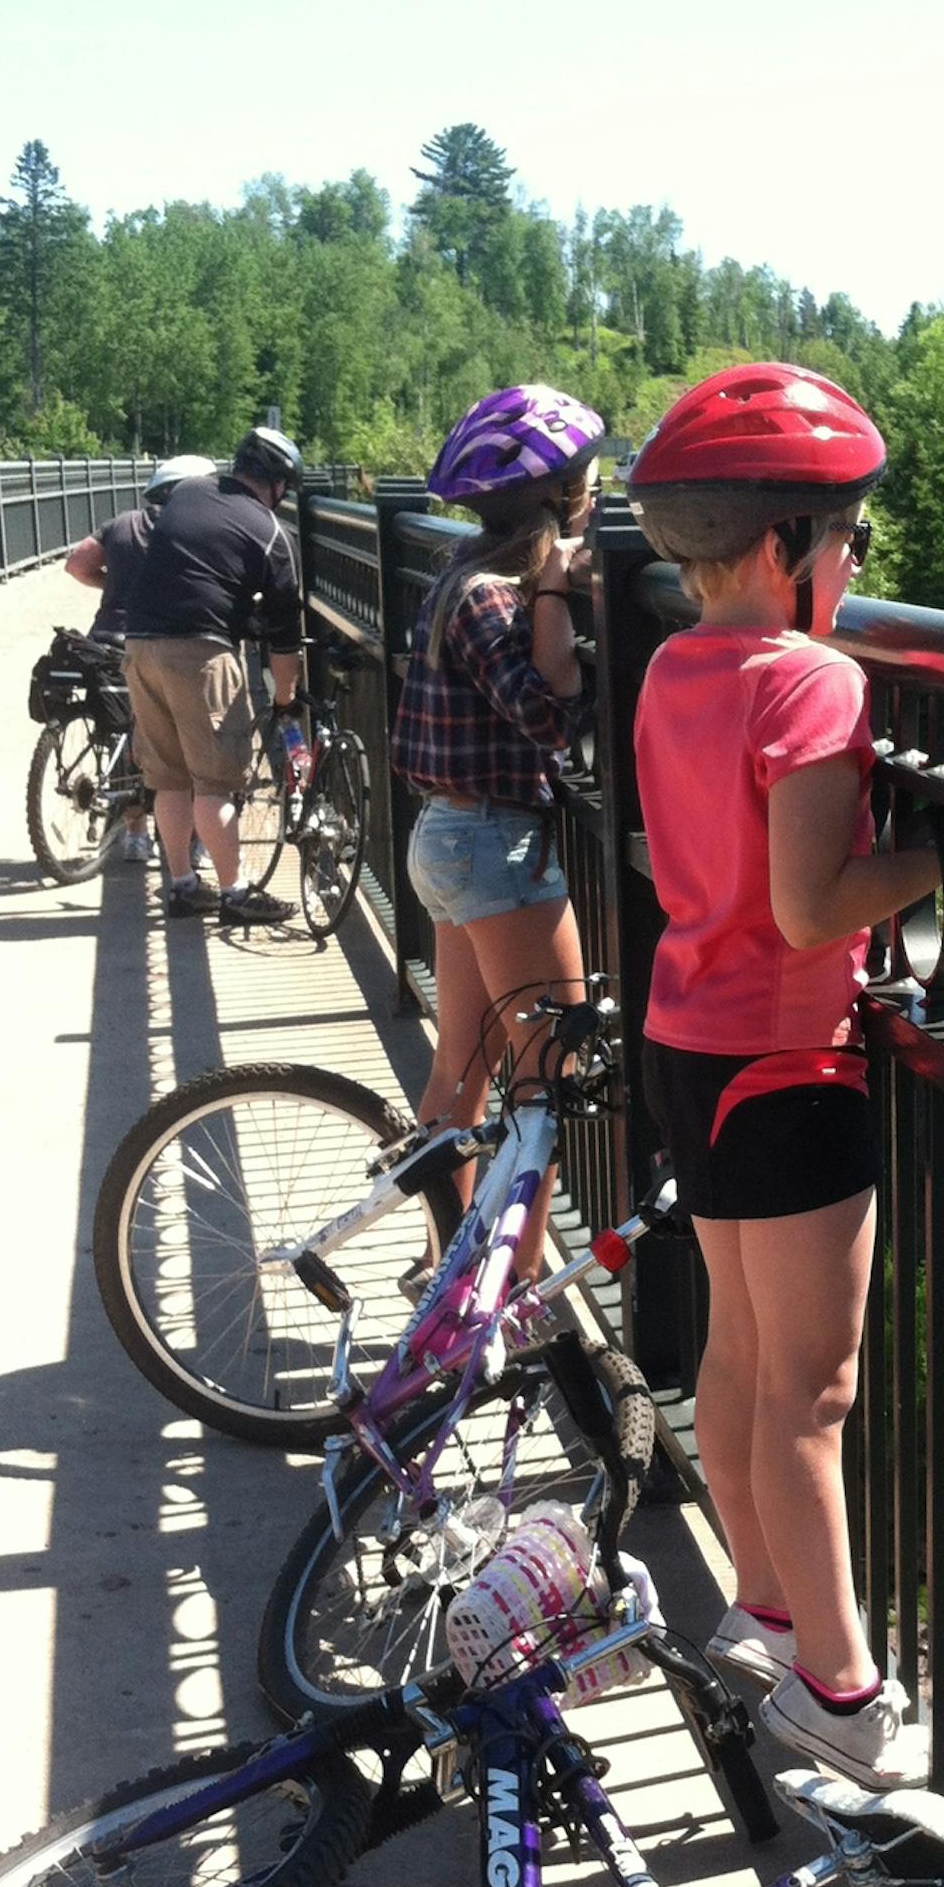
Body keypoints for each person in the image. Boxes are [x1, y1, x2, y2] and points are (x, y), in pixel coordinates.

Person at [626, 363, 942, 1790]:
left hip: (691, 1044)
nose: (856, 561)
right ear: (780, 549)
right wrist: (943, 861)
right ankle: (841, 1692)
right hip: (788, 1063)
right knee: (814, 1396)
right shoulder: (814, 680)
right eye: (849, 536)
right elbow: (817, 907)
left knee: (741, 1355)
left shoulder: (672, 667)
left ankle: (759, 1612)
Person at [391, 386, 604, 1270]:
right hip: (494, 848)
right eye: (593, 483)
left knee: (463, 1068)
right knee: (551, 1071)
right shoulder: (493, 599)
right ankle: (512, 1289)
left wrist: (549, 589)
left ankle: (448, 1262)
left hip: (448, 838)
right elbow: (550, 718)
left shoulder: (459, 576)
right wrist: (555, 589)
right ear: (563, 498)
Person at [123, 424, 305, 927]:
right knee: (215, 783)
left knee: (169, 777)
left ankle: (182, 886)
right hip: (201, 653)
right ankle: (235, 893)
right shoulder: (271, 531)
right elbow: (284, 635)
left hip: (139, 643)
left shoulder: (187, 493)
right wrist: (285, 697)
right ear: (278, 484)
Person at [63, 454, 215, 863]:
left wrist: (111, 585)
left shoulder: (121, 524)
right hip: (161, 640)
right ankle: (195, 840)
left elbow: (76, 564)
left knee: (120, 727)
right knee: (182, 735)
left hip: (107, 637)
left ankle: (135, 834)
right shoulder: (193, 530)